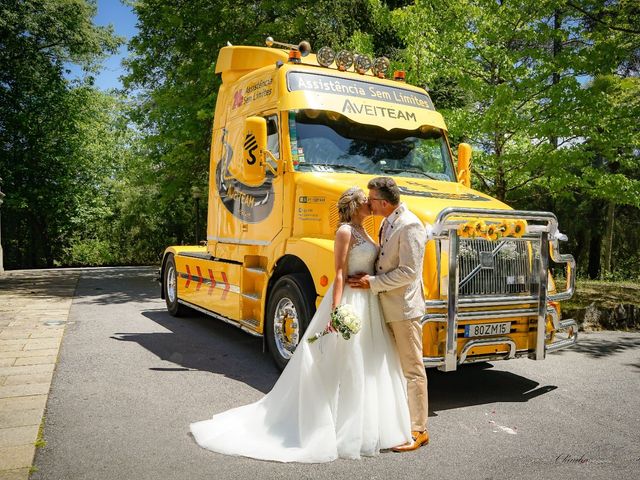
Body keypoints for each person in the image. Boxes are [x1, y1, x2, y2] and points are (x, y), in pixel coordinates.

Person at [190, 186, 412, 462]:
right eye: (365, 200)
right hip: (352, 300)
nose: (370, 203)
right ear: (354, 205)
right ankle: (341, 426)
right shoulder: (345, 232)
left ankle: (369, 424)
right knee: (347, 362)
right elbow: (340, 273)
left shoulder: (368, 229)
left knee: (369, 362)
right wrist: (336, 311)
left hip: (370, 302)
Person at [348, 176, 429, 452]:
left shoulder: (411, 225)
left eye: (371, 200)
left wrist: (372, 283)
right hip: (386, 305)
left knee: (412, 369)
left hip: (404, 309)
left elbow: (409, 272)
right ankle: (399, 422)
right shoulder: (386, 222)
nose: (369, 204)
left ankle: (419, 429)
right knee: (392, 368)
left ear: (383, 202)